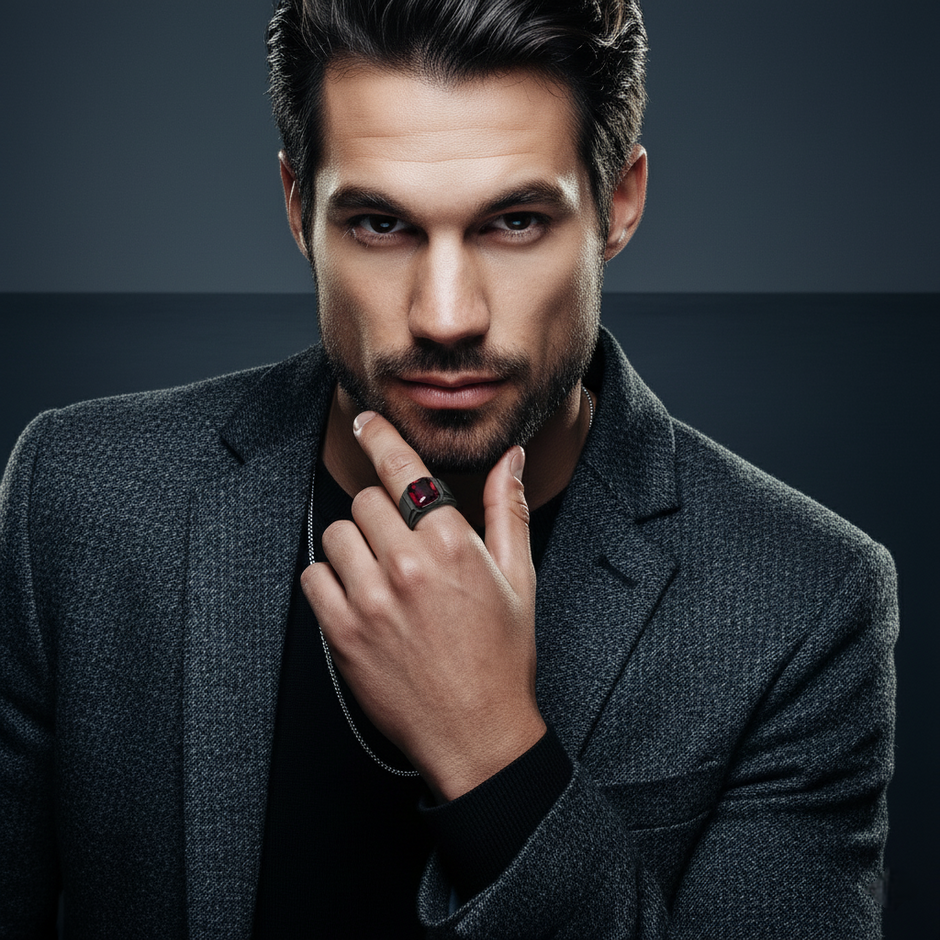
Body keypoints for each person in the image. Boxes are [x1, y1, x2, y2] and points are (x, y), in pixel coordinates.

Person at [0, 0, 897, 937]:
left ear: (617, 207)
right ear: (298, 208)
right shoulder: (77, 499)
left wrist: (493, 752)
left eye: (513, 221)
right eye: (381, 224)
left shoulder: (804, 600)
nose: (445, 316)